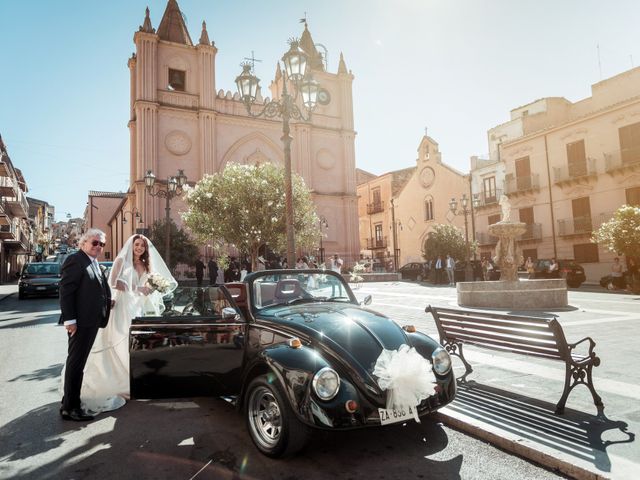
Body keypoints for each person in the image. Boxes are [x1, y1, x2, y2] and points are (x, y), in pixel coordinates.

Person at [75, 234, 177, 414]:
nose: (139, 248)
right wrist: (137, 289)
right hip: (122, 307)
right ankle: (123, 381)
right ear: (131, 245)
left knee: (136, 345)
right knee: (122, 343)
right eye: (137, 244)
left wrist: (152, 288)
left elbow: (146, 288)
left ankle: (134, 379)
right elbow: (113, 283)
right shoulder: (121, 260)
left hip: (137, 308)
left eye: (142, 246)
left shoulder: (146, 265)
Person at [59, 229, 112, 421]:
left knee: (77, 363)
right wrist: (70, 320)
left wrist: (107, 302)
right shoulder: (76, 260)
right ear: (83, 243)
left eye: (101, 244)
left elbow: (95, 290)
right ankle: (71, 409)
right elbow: (66, 291)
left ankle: (68, 401)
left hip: (91, 320)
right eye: (95, 243)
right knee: (76, 364)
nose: (98, 247)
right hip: (80, 322)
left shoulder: (93, 262)